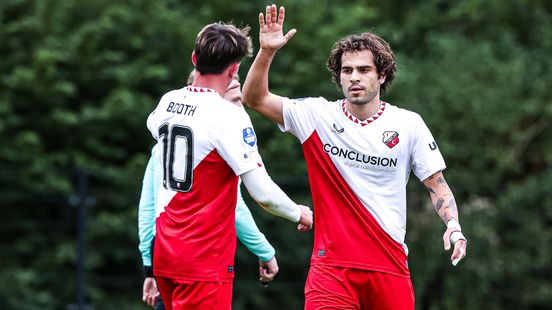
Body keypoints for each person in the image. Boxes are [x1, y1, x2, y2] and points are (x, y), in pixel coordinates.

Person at [242, 4, 468, 309]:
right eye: (347, 70)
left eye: (363, 70)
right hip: (331, 269)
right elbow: (254, 98)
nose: (354, 77)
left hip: (389, 266)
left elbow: (436, 183)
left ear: (382, 74)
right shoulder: (316, 116)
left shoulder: (408, 124)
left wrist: (452, 225)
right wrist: (267, 51)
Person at [146, 22, 313, 310]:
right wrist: (299, 213)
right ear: (234, 70)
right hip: (203, 258)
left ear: (194, 59)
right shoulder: (228, 117)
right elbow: (263, 194)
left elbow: (155, 128)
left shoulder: (168, 102)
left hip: (165, 250)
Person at [138, 74, 280, 309]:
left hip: (164, 256)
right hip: (199, 261)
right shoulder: (221, 142)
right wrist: (266, 251)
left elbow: (148, 209)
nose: (235, 83)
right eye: (232, 98)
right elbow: (237, 208)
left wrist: (148, 266)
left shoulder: (163, 144)